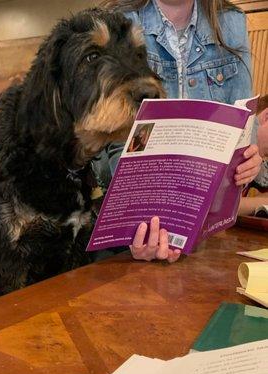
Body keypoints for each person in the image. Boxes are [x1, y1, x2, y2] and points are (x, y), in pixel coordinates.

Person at [95, 0, 263, 263]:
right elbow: (113, 142)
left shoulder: (231, 21)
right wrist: (141, 223)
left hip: (210, 234)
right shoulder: (120, 21)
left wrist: (250, 159)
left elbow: (243, 123)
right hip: (138, 229)